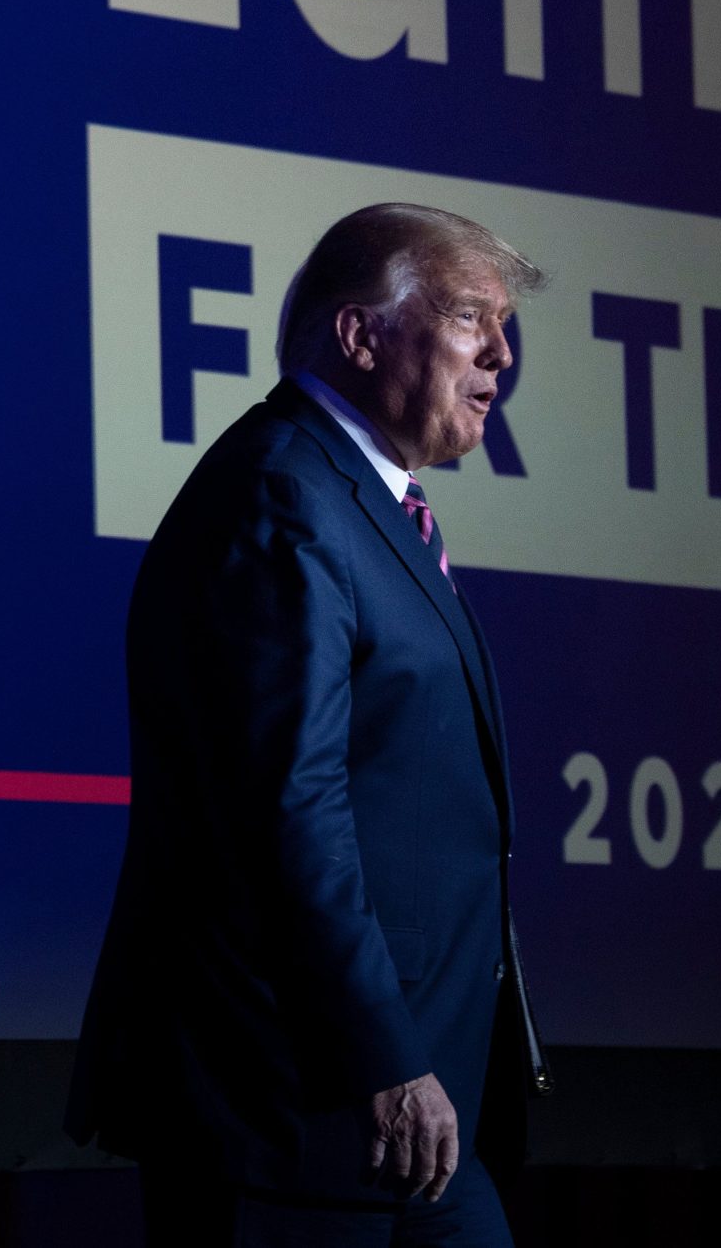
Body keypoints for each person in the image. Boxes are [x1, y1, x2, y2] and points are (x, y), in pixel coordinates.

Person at [68, 202, 552, 1247]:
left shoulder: (363, 503)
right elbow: (288, 808)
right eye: (473, 319)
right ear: (359, 333)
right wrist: (379, 1054)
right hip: (303, 1110)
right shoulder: (282, 496)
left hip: (409, 1117)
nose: (503, 355)